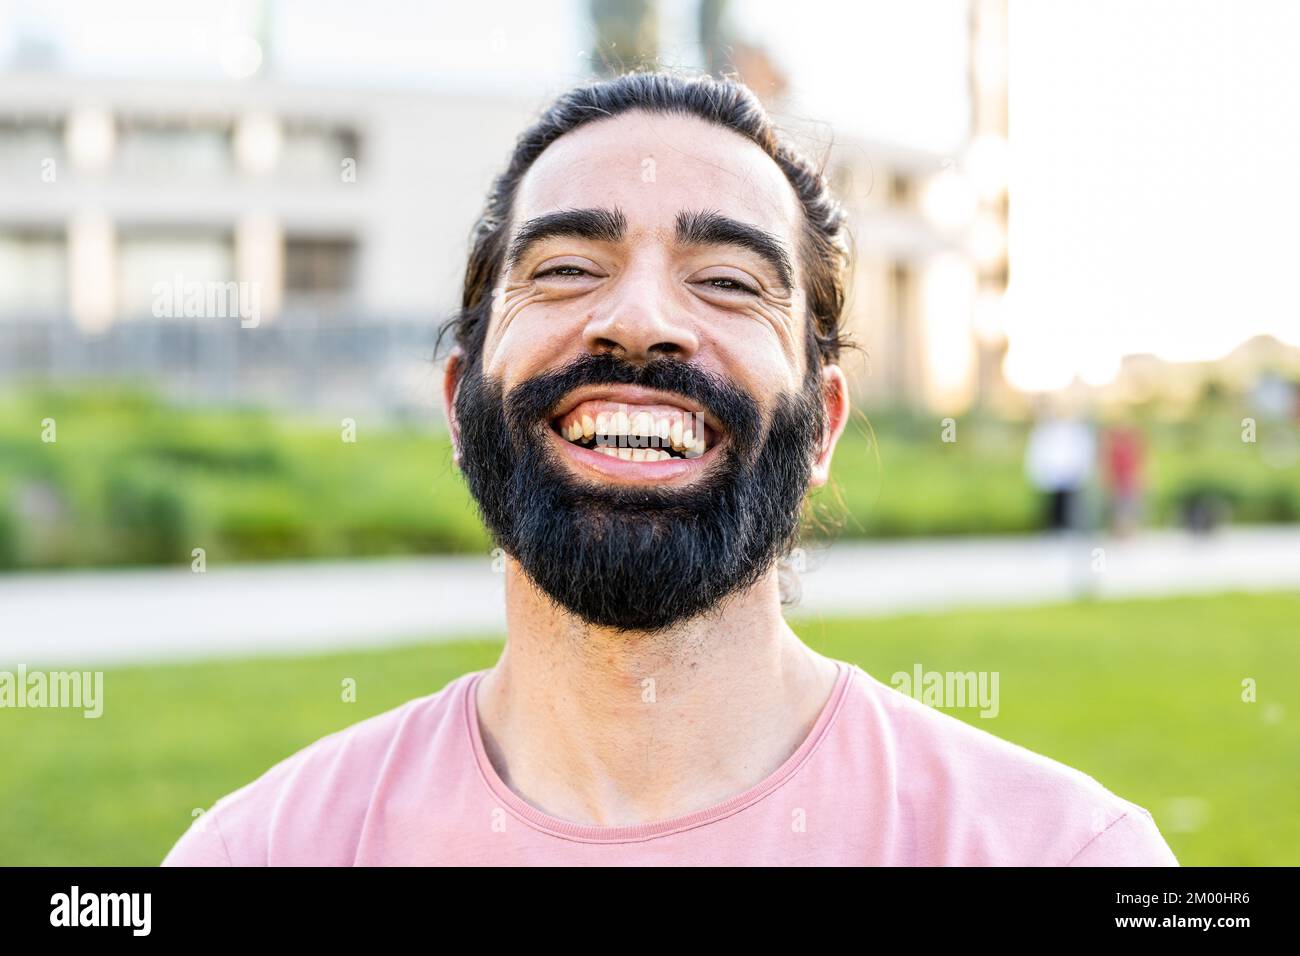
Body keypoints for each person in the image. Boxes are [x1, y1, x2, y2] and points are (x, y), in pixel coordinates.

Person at [162, 71, 1177, 866]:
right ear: (460, 408)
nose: (640, 319)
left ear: (820, 428)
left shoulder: (1065, 853)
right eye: (565, 267)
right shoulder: (256, 850)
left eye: (729, 281)